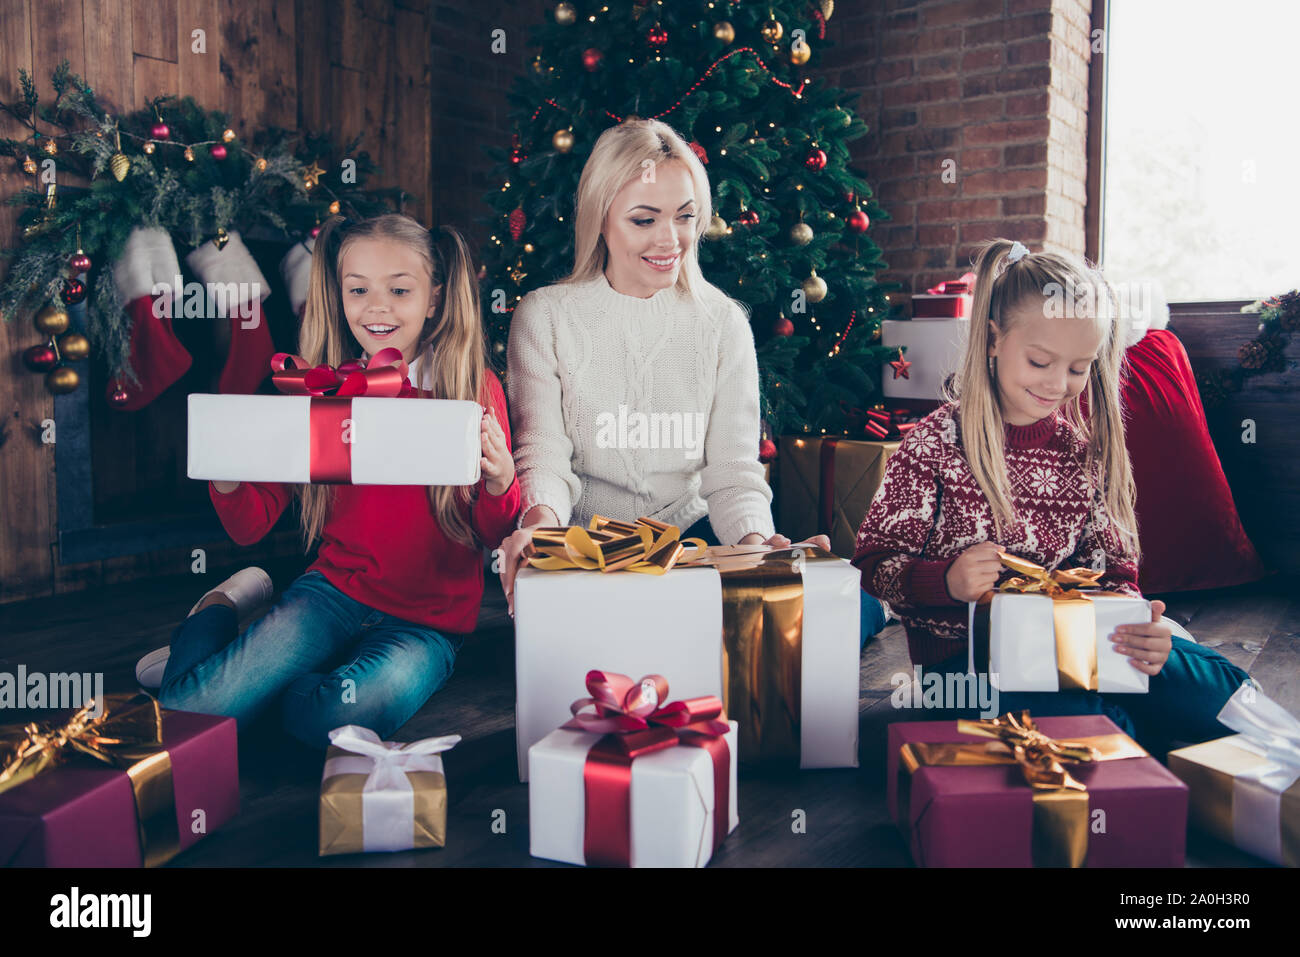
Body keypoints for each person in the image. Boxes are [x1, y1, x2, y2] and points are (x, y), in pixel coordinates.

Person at [495, 117, 887, 644]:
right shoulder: (544, 316)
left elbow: (731, 470)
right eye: (643, 219)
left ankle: (869, 612)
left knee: (820, 616)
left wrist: (758, 546)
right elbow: (542, 452)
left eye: (684, 216)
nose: (669, 239)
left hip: (694, 540)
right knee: (617, 646)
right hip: (588, 546)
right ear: (600, 220)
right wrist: (540, 529)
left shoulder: (722, 321)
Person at [852, 239, 1250, 756]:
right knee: (1082, 724)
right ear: (994, 340)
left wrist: (1136, 627)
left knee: (1216, 694)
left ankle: (1153, 714)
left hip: (1081, 647)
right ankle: (1128, 736)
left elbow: (1115, 577)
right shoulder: (933, 444)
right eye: (1040, 361)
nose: (1059, 384)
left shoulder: (1086, 456)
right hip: (968, 668)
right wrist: (946, 580)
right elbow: (871, 565)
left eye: (1079, 368)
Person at [136, 214, 520, 748]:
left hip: (426, 623)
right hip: (332, 594)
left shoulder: (470, 387)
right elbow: (251, 528)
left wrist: (501, 482)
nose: (377, 307)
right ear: (339, 296)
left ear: (434, 298)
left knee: (330, 723)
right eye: (358, 289)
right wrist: (227, 480)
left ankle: (246, 683)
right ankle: (217, 612)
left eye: (399, 290)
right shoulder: (324, 389)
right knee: (184, 716)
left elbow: (493, 532)